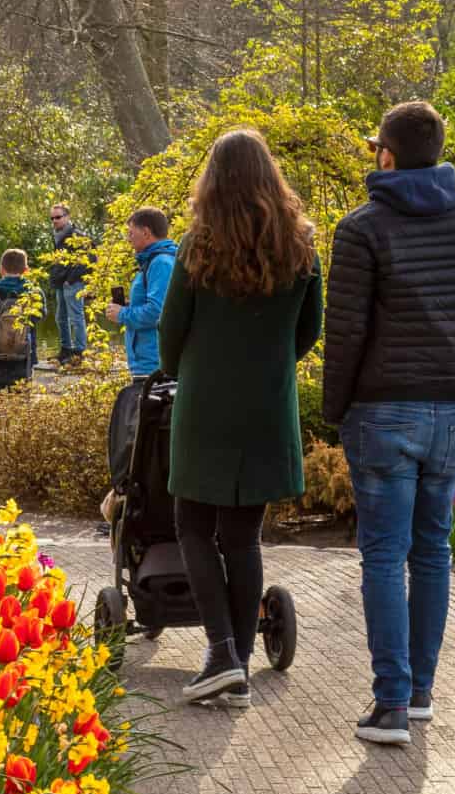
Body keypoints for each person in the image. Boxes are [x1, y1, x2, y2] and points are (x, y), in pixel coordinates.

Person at [325, 100, 455, 747]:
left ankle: (391, 704)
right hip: (451, 411)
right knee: (433, 549)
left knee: (384, 553)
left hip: (383, 411)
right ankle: (421, 693)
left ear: (386, 156)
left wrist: (333, 409)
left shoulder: (361, 230)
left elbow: (344, 333)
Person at [159, 130, 323, 708]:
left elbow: (170, 333)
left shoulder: (196, 245)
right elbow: (309, 331)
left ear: (212, 180)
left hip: (205, 404)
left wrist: (192, 366)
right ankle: (241, 664)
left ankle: (222, 651)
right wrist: (268, 364)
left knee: (194, 528)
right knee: (243, 537)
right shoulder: (301, 246)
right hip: (266, 407)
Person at [106, 207, 176, 378]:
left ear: (146, 232)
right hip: (145, 363)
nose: (128, 239)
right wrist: (130, 306)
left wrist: (122, 314)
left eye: (131, 233)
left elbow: (158, 313)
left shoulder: (161, 263)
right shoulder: (151, 260)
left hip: (153, 364)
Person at [0, 247, 36, 416]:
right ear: (26, 270)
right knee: (20, 413)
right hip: (22, 359)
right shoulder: (34, 293)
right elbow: (39, 317)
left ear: (1, 269)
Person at [48, 202, 87, 365]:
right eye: (52, 218)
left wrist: (70, 280)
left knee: (76, 317)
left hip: (73, 283)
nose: (55, 221)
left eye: (58, 217)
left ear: (67, 217)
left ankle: (79, 352)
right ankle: (65, 349)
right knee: (60, 318)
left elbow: (88, 260)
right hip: (61, 283)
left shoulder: (77, 236)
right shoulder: (57, 235)